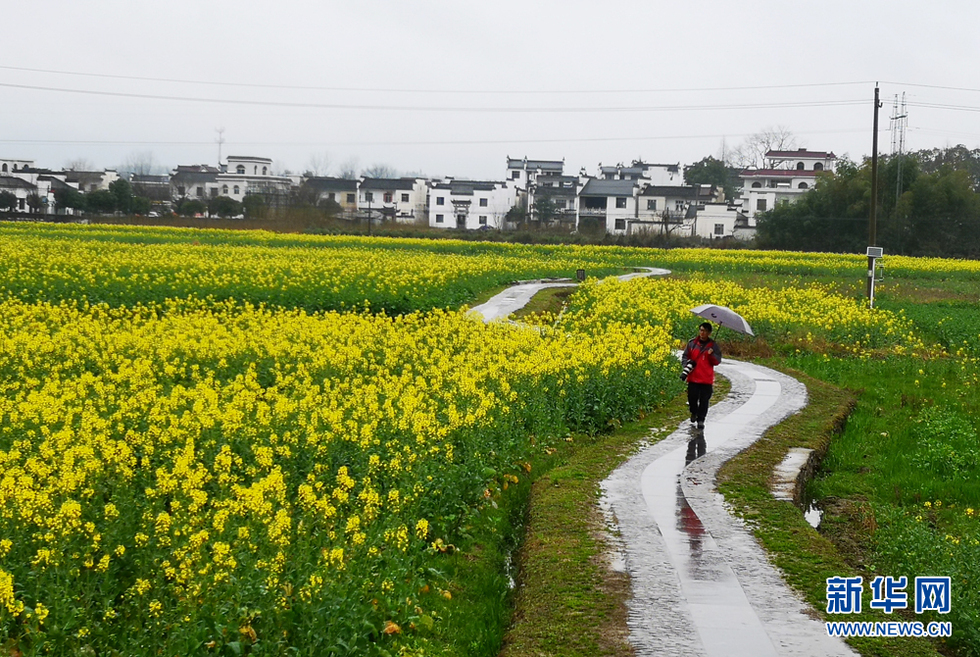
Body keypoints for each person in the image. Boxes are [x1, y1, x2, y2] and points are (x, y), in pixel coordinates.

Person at [682, 322, 722, 432]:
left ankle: (701, 420)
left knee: (704, 401)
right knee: (692, 399)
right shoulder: (692, 343)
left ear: (709, 333)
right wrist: (686, 366)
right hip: (693, 377)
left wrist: (711, 355)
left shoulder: (713, 346)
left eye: (704, 331)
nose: (702, 333)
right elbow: (685, 356)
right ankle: (694, 412)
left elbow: (717, 361)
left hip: (706, 379)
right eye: (701, 330)